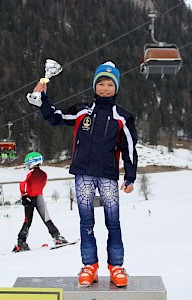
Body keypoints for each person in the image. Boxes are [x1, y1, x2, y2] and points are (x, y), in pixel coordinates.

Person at [31, 61, 138, 287]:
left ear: (116, 87)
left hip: (108, 175)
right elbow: (56, 117)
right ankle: (89, 265)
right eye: (101, 83)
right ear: (95, 86)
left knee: (113, 222)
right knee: (86, 221)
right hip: (83, 175)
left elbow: (129, 148)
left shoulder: (122, 117)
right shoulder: (82, 110)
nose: (105, 88)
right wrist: (43, 100)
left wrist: (130, 176)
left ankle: (116, 266)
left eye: (110, 84)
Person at [13, 151, 68, 252]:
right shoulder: (44, 174)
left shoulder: (28, 173)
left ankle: (21, 242)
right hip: (39, 198)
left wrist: (24, 196)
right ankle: (57, 237)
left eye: (28, 164)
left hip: (29, 199)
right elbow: (42, 185)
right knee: (47, 218)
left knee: (27, 221)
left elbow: (22, 184)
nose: (27, 166)